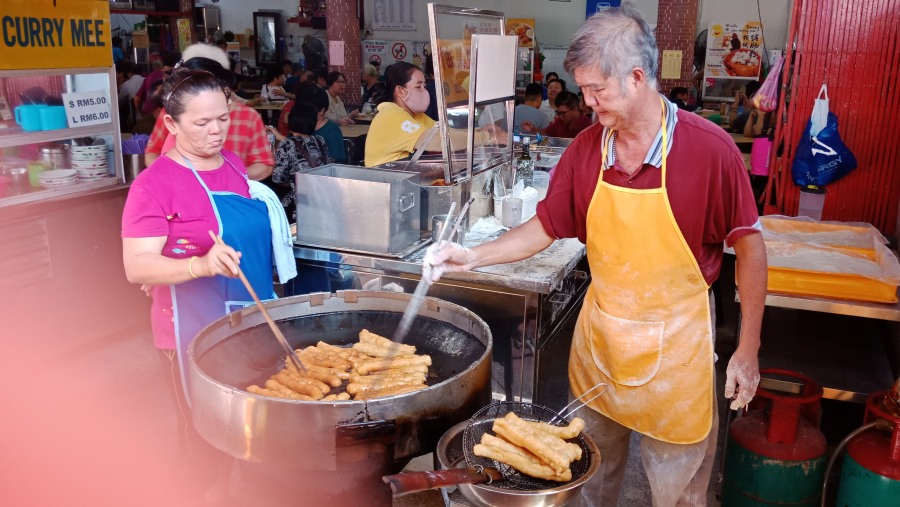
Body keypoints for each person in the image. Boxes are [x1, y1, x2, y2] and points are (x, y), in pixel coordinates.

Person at [423, 6, 766, 507]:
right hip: (603, 344)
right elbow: (547, 225)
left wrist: (748, 348)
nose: (587, 103)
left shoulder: (710, 150)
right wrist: (472, 257)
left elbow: (751, 247)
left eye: (596, 90)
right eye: (582, 90)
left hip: (678, 353)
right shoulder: (587, 149)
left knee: (680, 489)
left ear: (636, 77)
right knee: (590, 476)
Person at [143, 45, 274, 181]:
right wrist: (172, 177)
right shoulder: (174, 113)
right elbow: (153, 152)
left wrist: (227, 179)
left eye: (223, 119)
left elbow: (264, 164)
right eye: (202, 123)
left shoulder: (248, 117)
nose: (216, 130)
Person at [364, 62, 506, 167]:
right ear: (400, 91)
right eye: (418, 86)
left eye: (424, 86)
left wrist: (479, 130)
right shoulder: (391, 116)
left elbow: (445, 133)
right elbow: (436, 141)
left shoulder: (415, 116)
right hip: (383, 187)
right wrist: (486, 138)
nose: (424, 91)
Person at [270, 101, 331, 220]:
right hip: (323, 199)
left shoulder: (288, 144)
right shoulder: (320, 140)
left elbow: (278, 178)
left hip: (300, 205)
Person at [276, 81, 347, 164]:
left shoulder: (332, 131)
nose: (303, 112)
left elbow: (335, 164)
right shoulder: (301, 125)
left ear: (321, 110)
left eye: (308, 109)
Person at [134, 52, 181, 117]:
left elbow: (136, 99)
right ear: (178, 65)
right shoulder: (176, 77)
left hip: (148, 117)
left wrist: (143, 115)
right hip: (163, 118)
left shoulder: (151, 75)